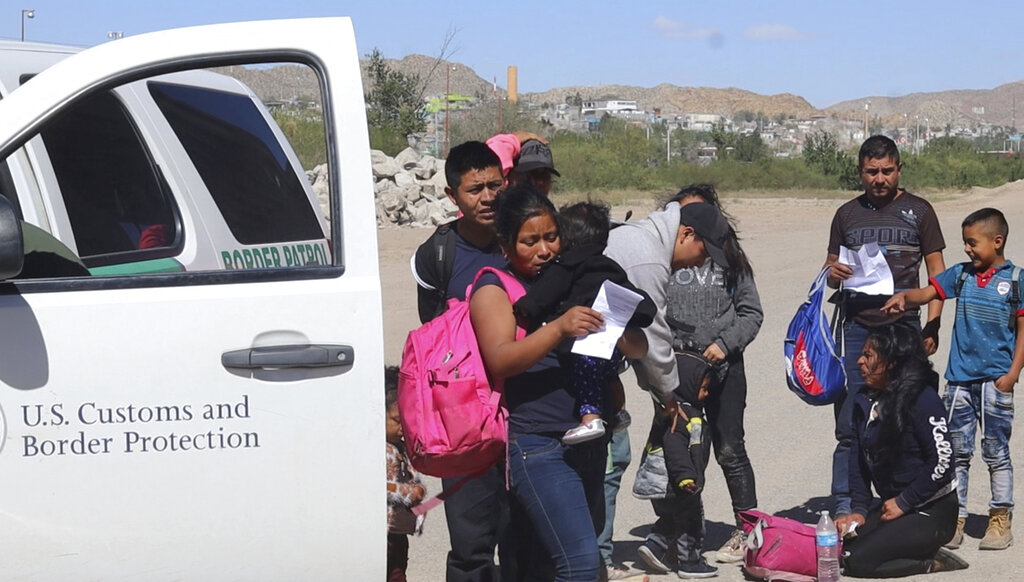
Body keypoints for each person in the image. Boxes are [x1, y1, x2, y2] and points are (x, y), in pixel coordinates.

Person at [469, 184, 648, 581]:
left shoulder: (578, 276)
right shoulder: (494, 289)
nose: (544, 250)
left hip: (588, 442)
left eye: (551, 237)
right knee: (581, 564)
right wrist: (560, 327)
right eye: (529, 241)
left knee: (562, 564)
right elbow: (500, 359)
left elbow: (638, 347)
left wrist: (620, 331)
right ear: (505, 244)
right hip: (537, 443)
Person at [603, 200, 731, 577]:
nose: (696, 263)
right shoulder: (647, 260)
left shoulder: (644, 243)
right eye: (701, 253)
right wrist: (668, 396)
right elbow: (654, 336)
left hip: (602, 371)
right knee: (607, 463)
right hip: (583, 375)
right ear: (686, 234)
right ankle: (591, 559)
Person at [883, 207, 1023, 551]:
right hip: (959, 381)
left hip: (995, 382)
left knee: (996, 452)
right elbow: (928, 293)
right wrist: (905, 297)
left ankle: (999, 518)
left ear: (997, 241)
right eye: (964, 243)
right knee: (956, 453)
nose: (967, 250)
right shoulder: (961, 275)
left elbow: (1023, 331)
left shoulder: (1017, 280)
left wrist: (1012, 374)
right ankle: (955, 518)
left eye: (973, 243)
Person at [824, 135, 946, 518]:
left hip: (905, 330)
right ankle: (847, 505)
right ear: (860, 172)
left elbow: (938, 276)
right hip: (858, 330)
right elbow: (829, 271)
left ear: (899, 169)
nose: (879, 178)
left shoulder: (920, 212)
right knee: (850, 424)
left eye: (887, 171)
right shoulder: (846, 215)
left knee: (908, 416)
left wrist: (933, 325)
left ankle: (908, 499)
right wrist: (833, 272)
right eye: (871, 171)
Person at [409, 141, 509, 582]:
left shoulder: (526, 237)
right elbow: (432, 345)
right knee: (471, 550)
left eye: (494, 185)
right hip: (468, 425)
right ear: (453, 197)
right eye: (475, 189)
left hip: (528, 417)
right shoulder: (437, 255)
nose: (488, 197)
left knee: (530, 540)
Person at [664, 184, 762, 563]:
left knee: (729, 449)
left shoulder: (730, 257)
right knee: (683, 454)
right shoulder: (664, 257)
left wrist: (725, 344)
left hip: (725, 368)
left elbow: (751, 312)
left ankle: (748, 531)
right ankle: (685, 533)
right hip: (678, 372)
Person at [512, 201, 655, 445]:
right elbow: (641, 303)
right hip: (610, 347)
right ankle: (618, 412)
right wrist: (627, 318)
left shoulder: (566, 266)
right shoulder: (610, 267)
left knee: (584, 372)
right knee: (610, 375)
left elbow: (546, 293)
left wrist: (524, 307)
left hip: (585, 344)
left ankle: (590, 418)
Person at [834, 324, 967, 577]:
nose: (860, 361)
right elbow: (858, 462)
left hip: (931, 510)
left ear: (891, 363)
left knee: (858, 561)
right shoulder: (865, 400)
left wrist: (905, 502)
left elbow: (943, 461)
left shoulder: (923, 399)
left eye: (869, 356)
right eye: (862, 354)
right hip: (894, 506)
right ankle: (904, 545)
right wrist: (859, 511)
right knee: (840, 547)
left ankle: (929, 561)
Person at [638, 352, 716, 579]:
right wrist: (685, 477)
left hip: (665, 486)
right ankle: (690, 563)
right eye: (703, 388)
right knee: (692, 524)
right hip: (679, 484)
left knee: (672, 518)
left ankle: (654, 546)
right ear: (688, 385)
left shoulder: (673, 410)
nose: (706, 393)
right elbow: (675, 448)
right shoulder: (681, 416)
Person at [386, 367, 427, 582]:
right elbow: (386, 487)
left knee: (399, 571)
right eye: (395, 420)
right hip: (385, 533)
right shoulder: (383, 451)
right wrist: (413, 492)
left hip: (399, 532)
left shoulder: (399, 448)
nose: (402, 427)